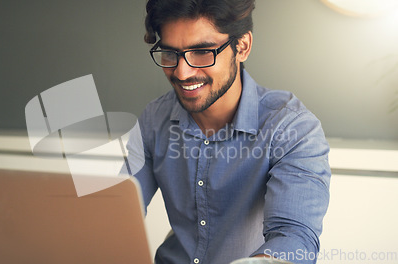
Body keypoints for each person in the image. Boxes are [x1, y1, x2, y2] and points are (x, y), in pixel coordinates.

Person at [127, 0, 331, 263]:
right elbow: (117, 213)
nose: (182, 71)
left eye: (202, 51)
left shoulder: (291, 128)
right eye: (170, 53)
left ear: (242, 46)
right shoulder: (154, 119)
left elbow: (294, 238)